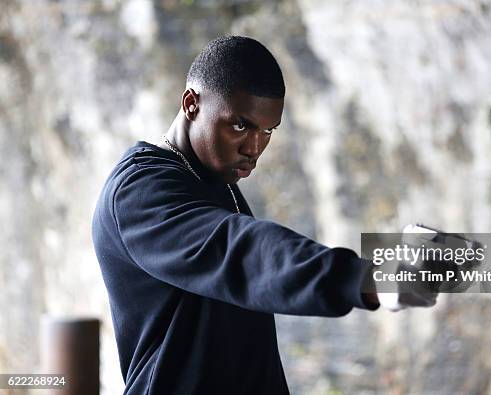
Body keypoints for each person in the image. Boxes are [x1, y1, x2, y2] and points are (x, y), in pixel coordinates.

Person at [92, 35, 436, 395]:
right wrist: (367, 278)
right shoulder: (138, 190)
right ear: (191, 103)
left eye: (267, 130)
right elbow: (240, 252)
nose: (254, 148)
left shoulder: (214, 179)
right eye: (240, 125)